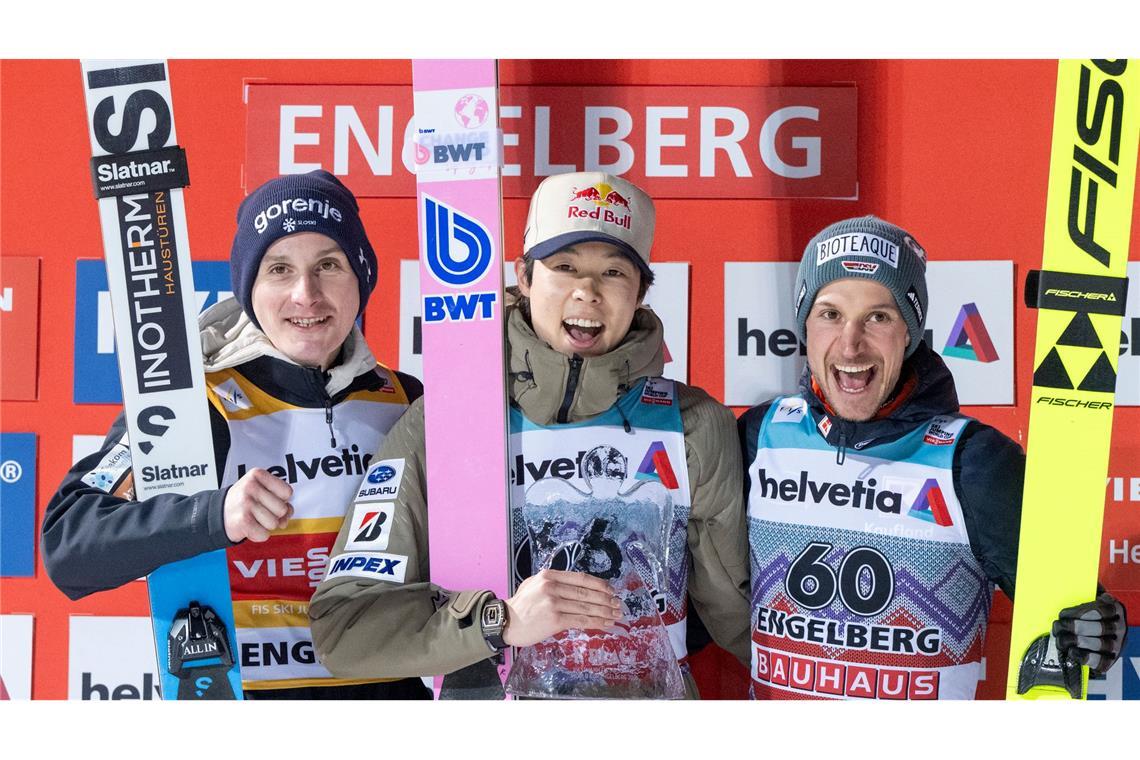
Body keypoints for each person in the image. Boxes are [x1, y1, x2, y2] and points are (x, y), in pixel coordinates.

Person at [309, 171, 751, 698]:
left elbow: (744, 622)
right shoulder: (446, 422)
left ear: (640, 293)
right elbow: (344, 627)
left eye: (613, 271)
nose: (587, 291)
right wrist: (498, 622)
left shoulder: (693, 424)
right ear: (523, 275)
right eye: (564, 267)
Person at [42, 170, 430, 699]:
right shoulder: (194, 403)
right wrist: (213, 515)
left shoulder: (408, 401)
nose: (306, 294)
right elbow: (70, 545)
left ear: (360, 277)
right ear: (250, 288)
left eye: (328, 266)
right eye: (279, 269)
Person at [738, 215, 1128, 700]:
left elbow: (1071, 611)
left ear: (909, 331)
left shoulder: (975, 462)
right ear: (804, 325)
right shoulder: (760, 438)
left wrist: (1100, 627)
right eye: (829, 313)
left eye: (878, 316)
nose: (850, 342)